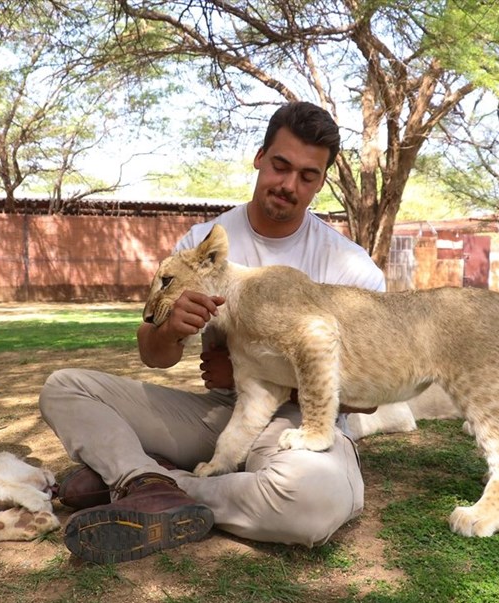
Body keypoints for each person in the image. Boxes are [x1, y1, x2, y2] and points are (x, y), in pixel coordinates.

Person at [40, 101, 386, 564]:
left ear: (321, 181)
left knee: (313, 502)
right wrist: (170, 331)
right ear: (259, 157)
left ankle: (159, 486)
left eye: (308, 176)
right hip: (217, 414)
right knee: (64, 388)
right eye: (281, 166)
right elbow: (153, 354)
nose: (289, 185)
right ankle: (146, 480)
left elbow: (369, 396)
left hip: (297, 426)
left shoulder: (349, 266)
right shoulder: (202, 242)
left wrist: (262, 366)